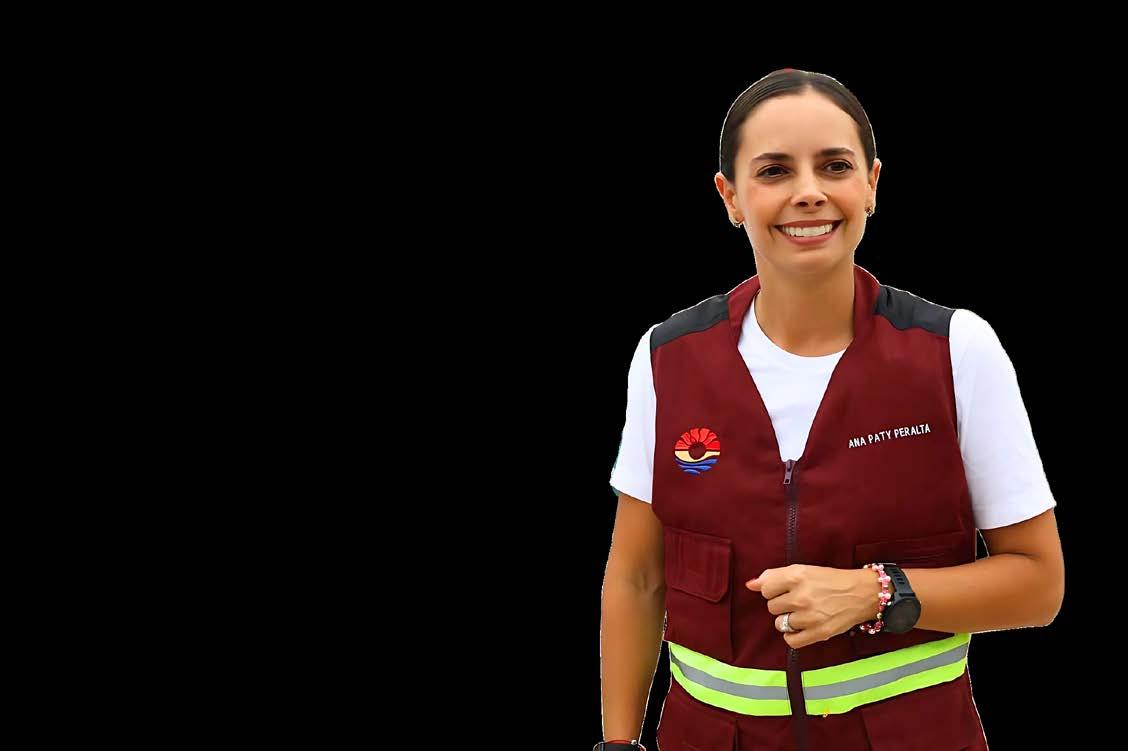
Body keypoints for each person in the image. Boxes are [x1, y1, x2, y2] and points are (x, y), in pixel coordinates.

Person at [595, 69, 1065, 751]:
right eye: (774, 170)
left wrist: (879, 592)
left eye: (835, 166)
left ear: (871, 183)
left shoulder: (955, 352)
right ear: (731, 197)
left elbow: (1040, 584)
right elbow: (638, 578)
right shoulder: (667, 357)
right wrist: (617, 743)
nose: (809, 190)